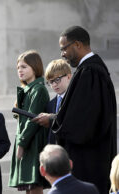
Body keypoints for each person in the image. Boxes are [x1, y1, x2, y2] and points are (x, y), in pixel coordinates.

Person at [33, 25, 117, 194]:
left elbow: (83, 122)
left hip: (89, 160)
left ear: (77, 44)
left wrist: (52, 120)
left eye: (64, 48)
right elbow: (79, 113)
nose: (62, 54)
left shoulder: (90, 72)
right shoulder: (90, 70)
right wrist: (56, 117)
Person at [8, 50, 50, 194]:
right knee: (28, 186)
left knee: (34, 185)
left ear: (35, 67)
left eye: (24, 66)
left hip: (34, 143)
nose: (20, 70)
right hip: (28, 142)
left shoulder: (38, 89)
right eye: (18, 67)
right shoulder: (27, 90)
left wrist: (21, 143)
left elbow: (33, 120)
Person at [44, 59, 71, 144]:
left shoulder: (74, 100)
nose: (54, 84)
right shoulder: (50, 104)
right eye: (51, 82)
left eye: (57, 79)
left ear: (69, 77)